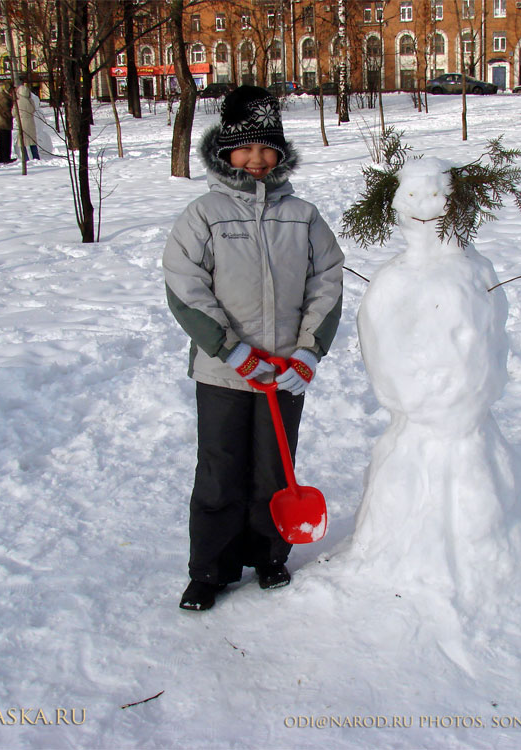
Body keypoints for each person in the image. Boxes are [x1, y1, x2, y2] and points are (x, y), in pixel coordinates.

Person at [163, 86, 344, 612]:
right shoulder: (205, 215)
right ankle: (211, 569)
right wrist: (230, 349)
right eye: (246, 149)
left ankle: (269, 554)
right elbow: (183, 286)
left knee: (274, 469)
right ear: (224, 152)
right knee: (220, 469)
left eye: (268, 149)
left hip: (284, 371)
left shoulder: (304, 216)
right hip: (223, 373)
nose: (258, 160)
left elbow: (327, 282)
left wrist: (308, 354)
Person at [15, 81, 40, 160]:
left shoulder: (18, 102)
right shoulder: (31, 101)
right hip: (31, 122)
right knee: (32, 141)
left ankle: (25, 158)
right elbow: (33, 110)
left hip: (22, 123)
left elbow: (14, 112)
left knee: (22, 141)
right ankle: (36, 157)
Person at [0, 83, 15, 164]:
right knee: (6, 140)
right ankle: (5, 158)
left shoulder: (0, 96)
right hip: (3, 121)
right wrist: (12, 115)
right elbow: (7, 111)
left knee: (1, 140)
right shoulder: (5, 98)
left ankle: (1, 158)